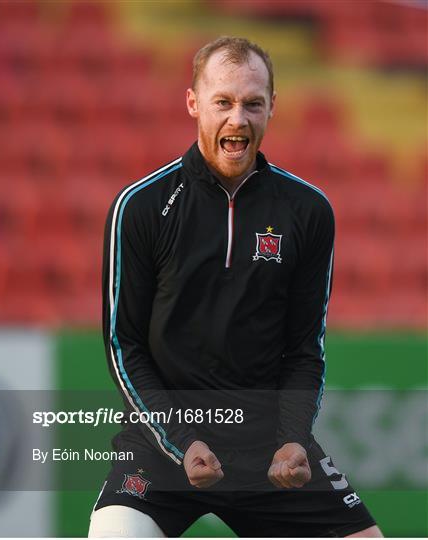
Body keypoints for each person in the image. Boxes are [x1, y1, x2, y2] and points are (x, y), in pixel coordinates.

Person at [88, 36, 383, 538]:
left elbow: (304, 348)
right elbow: (124, 345)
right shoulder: (139, 207)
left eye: (253, 103)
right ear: (193, 104)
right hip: (160, 451)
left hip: (268, 448)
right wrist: (181, 442)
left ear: (273, 107)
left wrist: (293, 440)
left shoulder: (308, 211)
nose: (237, 119)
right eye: (222, 102)